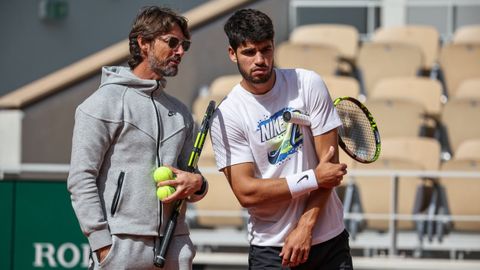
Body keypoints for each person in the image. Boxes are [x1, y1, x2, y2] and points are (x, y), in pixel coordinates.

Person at [209, 8, 353, 269]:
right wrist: (312, 178)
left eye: (266, 49)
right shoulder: (227, 114)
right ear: (232, 54)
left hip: (328, 241)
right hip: (271, 249)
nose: (260, 60)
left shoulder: (308, 84)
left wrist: (305, 227)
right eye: (249, 52)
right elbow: (246, 192)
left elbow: (329, 171)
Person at [67, 6, 208, 270]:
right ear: (144, 43)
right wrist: (103, 245)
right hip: (120, 248)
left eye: (184, 44)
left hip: (175, 247)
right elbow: (80, 179)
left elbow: (193, 179)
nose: (180, 51)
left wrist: (198, 184)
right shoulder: (101, 104)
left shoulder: (181, 113)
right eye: (172, 42)